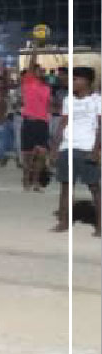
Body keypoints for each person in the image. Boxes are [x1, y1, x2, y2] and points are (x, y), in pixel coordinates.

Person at [52, 67, 101, 235]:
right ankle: (64, 222)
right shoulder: (68, 100)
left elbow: (100, 127)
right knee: (66, 186)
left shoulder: (97, 100)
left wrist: (96, 150)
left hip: (87, 147)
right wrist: (55, 147)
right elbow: (63, 123)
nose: (71, 82)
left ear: (86, 81)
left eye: (75, 79)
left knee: (94, 188)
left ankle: (100, 225)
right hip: (67, 147)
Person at [21, 57, 52, 192]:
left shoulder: (46, 88)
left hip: (42, 123)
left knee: (41, 154)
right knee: (28, 155)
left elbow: (47, 105)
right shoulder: (28, 83)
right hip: (29, 122)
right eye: (38, 70)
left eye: (41, 70)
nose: (41, 72)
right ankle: (26, 179)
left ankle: (36, 181)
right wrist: (35, 49)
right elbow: (31, 64)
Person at [0, 74, 15, 167]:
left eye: (0, 83)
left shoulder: (5, 95)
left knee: (2, 140)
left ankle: (2, 157)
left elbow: (8, 108)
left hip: (2, 120)